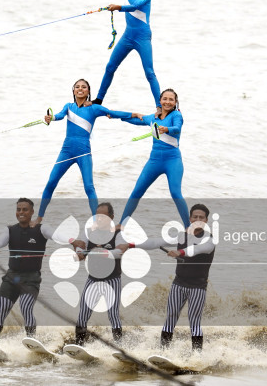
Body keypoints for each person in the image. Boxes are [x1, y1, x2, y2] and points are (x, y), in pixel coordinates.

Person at [36, 79, 141, 224]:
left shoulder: (94, 109)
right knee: (51, 183)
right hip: (66, 151)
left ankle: (96, 222)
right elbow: (58, 116)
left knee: (89, 187)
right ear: (73, 91)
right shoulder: (68, 106)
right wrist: (50, 118)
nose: (80, 89)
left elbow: (112, 113)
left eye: (84, 87)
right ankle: (39, 218)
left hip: (83, 152)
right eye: (77, 87)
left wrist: (133, 114)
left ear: (88, 91)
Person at [127, 204, 215, 351]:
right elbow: (156, 242)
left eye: (201, 217)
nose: (198, 219)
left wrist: (180, 252)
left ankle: (197, 357)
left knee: (194, 322)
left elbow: (197, 249)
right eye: (195, 217)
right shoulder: (182, 235)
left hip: (198, 287)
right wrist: (130, 245)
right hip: (178, 284)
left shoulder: (209, 239)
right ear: (190, 218)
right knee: (170, 317)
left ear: (206, 220)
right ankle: (164, 352)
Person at [0, 198, 71, 341]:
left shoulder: (42, 228)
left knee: (25, 307)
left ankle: (31, 341)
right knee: (2, 308)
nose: (21, 212)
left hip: (31, 279)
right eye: (18, 209)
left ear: (32, 212)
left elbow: (56, 236)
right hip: (11, 277)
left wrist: (72, 241)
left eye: (25, 209)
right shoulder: (10, 230)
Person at [92, 0, 161, 110]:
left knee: (149, 73)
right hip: (127, 37)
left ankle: (160, 107)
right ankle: (98, 100)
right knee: (109, 67)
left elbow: (134, 7)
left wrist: (118, 7)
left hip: (142, 38)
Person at [120, 88, 189, 227]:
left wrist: (166, 129)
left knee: (175, 193)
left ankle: (189, 227)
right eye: (165, 99)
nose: (167, 102)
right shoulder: (153, 118)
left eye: (171, 99)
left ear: (176, 102)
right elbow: (135, 120)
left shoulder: (176, 115)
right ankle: (121, 225)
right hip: (154, 161)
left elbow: (177, 128)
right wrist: (115, 115)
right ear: (160, 101)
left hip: (173, 160)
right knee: (137, 191)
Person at [69, 202, 129, 345]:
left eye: (103, 216)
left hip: (112, 280)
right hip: (93, 280)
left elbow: (120, 252)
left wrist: (104, 253)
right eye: (97, 216)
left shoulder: (118, 234)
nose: (99, 219)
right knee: (83, 313)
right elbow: (80, 248)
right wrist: (79, 254)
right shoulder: (89, 232)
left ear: (112, 217)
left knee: (113, 314)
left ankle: (120, 347)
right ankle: (79, 345)